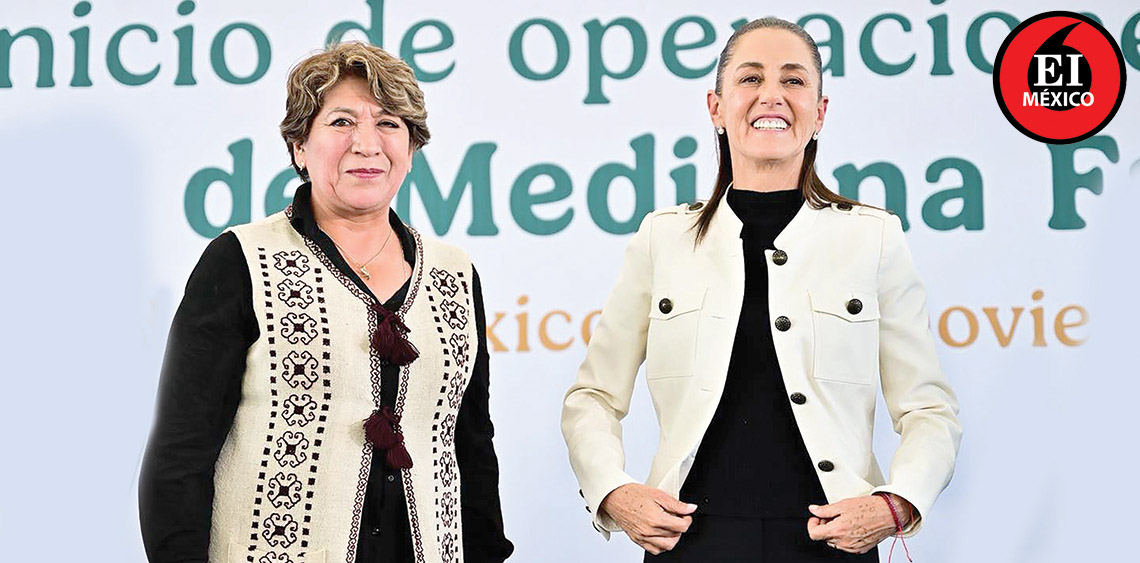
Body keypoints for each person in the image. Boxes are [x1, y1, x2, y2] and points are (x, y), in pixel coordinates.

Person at [561, 17, 961, 562]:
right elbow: (592, 398)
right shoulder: (662, 238)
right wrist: (613, 492)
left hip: (833, 543)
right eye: (750, 78)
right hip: (688, 543)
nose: (771, 95)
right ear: (715, 108)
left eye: (793, 80)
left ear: (820, 112)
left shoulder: (874, 238)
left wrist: (897, 503)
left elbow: (929, 409)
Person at [139, 42, 513, 563]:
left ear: (410, 150)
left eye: (388, 124)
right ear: (299, 146)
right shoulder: (241, 259)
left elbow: (471, 445)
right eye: (341, 122)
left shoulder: (454, 272)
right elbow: (180, 452)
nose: (367, 145)